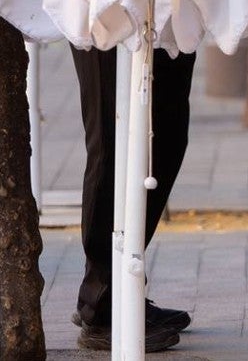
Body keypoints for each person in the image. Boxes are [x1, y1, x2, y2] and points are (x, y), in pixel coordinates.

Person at [70, 48, 195, 352]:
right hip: (108, 6)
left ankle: (121, 292)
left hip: (164, 7)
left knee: (167, 134)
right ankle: (101, 306)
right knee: (111, 140)